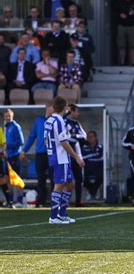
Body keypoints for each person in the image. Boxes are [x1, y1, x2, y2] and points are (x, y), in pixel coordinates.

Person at [44, 96, 85, 224]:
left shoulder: (48, 120)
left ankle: (62, 214)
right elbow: (64, 142)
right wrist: (77, 157)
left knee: (70, 183)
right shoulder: (60, 121)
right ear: (65, 107)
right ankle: (53, 216)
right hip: (60, 157)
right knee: (59, 185)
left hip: (55, 156)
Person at [20, 102, 54, 207]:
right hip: (40, 154)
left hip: (52, 154)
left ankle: (55, 202)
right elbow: (31, 137)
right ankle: (41, 202)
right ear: (47, 108)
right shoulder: (38, 121)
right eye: (52, 108)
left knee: (54, 178)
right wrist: (24, 150)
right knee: (41, 179)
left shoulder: (56, 121)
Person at [65, 104, 87, 207]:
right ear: (72, 111)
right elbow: (65, 137)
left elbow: (84, 136)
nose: (78, 113)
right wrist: (73, 137)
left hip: (77, 154)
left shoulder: (77, 123)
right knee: (67, 179)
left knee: (79, 178)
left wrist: (75, 136)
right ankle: (65, 201)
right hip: (67, 154)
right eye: (76, 111)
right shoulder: (65, 122)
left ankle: (78, 201)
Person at [4, 108, 25, 207]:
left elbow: (21, 141)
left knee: (17, 179)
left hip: (15, 156)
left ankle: (20, 201)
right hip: (8, 157)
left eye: (9, 116)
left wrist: (8, 145)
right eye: (5, 116)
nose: (7, 118)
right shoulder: (6, 127)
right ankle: (11, 201)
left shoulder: (16, 126)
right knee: (9, 179)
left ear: (12, 116)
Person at [82, 130, 103, 200]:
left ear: (95, 137)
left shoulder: (100, 146)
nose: (90, 138)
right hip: (87, 166)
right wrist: (93, 154)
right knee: (83, 179)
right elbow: (82, 157)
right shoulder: (84, 147)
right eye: (88, 137)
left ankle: (93, 192)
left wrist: (89, 156)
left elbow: (100, 157)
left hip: (98, 165)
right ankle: (91, 192)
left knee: (100, 177)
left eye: (92, 137)